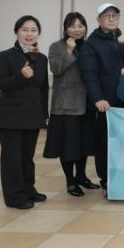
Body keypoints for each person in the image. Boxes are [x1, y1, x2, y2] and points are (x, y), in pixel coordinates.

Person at [79, 3, 124, 195]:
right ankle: (107, 181)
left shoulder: (123, 39)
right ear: (98, 20)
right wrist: (98, 98)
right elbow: (89, 74)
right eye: (107, 16)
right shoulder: (91, 44)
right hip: (105, 104)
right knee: (105, 144)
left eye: (115, 15)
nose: (112, 19)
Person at [0, 15, 49, 209]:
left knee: (27, 157)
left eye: (33, 30)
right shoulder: (5, 56)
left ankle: (28, 189)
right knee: (12, 159)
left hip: (32, 116)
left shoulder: (41, 58)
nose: (29, 34)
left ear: (38, 34)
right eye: (24, 29)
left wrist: (44, 114)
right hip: (10, 117)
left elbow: (43, 89)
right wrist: (20, 76)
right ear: (16, 32)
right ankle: (14, 197)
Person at [43, 12, 95, 197]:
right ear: (65, 28)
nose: (77, 29)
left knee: (84, 144)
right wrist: (69, 50)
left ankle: (81, 176)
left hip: (87, 103)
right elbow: (56, 68)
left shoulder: (89, 46)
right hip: (66, 104)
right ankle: (70, 181)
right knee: (68, 145)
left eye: (80, 25)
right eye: (72, 26)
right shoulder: (56, 46)